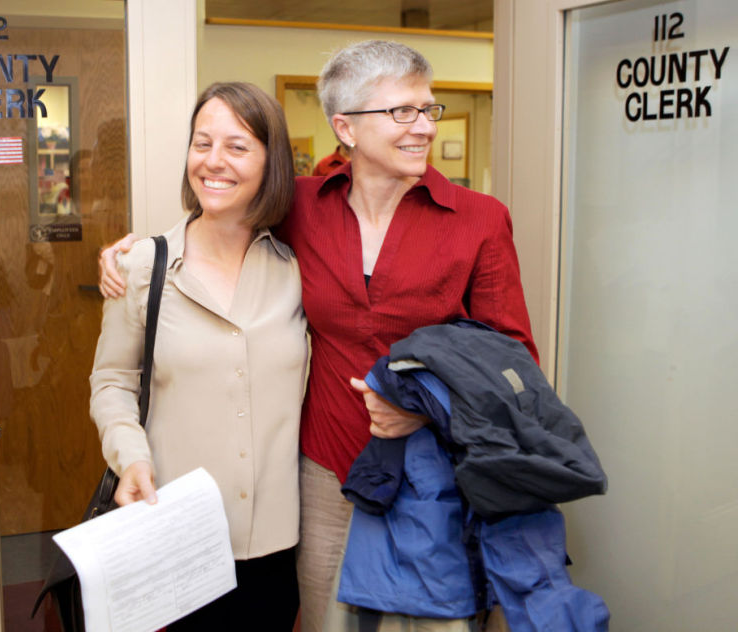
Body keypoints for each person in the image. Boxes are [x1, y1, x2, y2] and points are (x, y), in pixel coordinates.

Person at [99, 41, 537, 632]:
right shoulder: (304, 209)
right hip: (325, 479)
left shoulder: (479, 219)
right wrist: (131, 254)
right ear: (345, 128)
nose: (423, 127)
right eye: (402, 112)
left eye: (428, 110)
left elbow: (514, 361)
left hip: (436, 477)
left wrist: (427, 409)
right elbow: (218, 214)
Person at [89, 82, 308, 631]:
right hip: (177, 535)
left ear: (270, 161)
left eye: (237, 147)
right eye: (201, 143)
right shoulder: (143, 266)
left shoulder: (298, 267)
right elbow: (113, 380)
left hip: (276, 544)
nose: (213, 162)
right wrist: (129, 458)